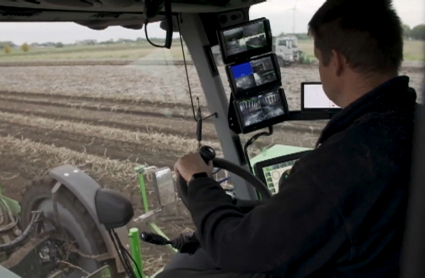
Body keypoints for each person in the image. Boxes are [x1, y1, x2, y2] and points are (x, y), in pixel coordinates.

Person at [157, 0, 419, 277]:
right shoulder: (409, 125)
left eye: (319, 59)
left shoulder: (343, 162)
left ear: (338, 61)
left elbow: (238, 252)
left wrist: (199, 181)